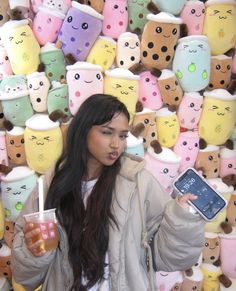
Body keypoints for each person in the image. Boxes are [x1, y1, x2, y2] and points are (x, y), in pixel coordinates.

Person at [11, 94, 205, 291]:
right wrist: (34, 251)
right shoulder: (51, 185)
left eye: (122, 136)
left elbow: (169, 258)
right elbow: (25, 277)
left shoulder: (138, 183)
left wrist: (181, 220)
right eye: (107, 132)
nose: (116, 144)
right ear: (83, 131)